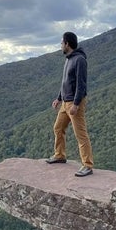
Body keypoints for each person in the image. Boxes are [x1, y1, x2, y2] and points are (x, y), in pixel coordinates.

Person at [46, 31, 94, 177]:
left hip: (74, 103)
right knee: (58, 128)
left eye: (62, 43)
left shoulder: (79, 60)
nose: (61, 45)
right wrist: (58, 98)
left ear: (67, 44)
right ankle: (60, 155)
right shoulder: (68, 59)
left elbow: (81, 84)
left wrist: (76, 104)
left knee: (81, 134)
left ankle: (87, 165)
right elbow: (65, 82)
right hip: (65, 102)